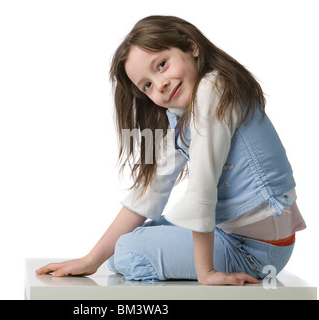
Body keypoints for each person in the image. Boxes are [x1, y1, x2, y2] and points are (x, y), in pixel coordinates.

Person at [36, 15, 306, 285]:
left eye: (162, 65)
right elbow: (151, 191)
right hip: (238, 238)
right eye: (148, 85)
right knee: (121, 247)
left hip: (255, 252)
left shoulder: (214, 88)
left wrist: (206, 273)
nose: (160, 84)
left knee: (128, 252)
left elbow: (202, 186)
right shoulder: (180, 116)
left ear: (191, 47)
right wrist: (91, 260)